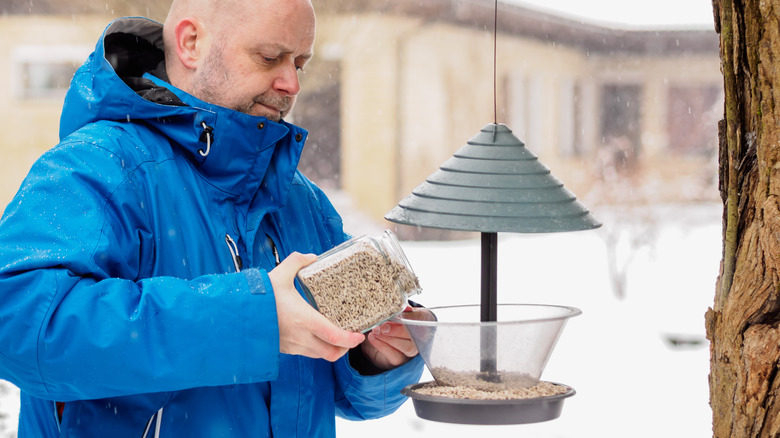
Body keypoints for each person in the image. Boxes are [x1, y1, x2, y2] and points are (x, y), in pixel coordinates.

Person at [0, 0, 426, 436]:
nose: (292, 82)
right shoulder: (100, 166)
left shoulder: (299, 199)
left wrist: (375, 357)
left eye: (300, 62)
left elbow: (335, 387)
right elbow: (17, 323)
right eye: (269, 57)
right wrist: (249, 319)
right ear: (191, 42)